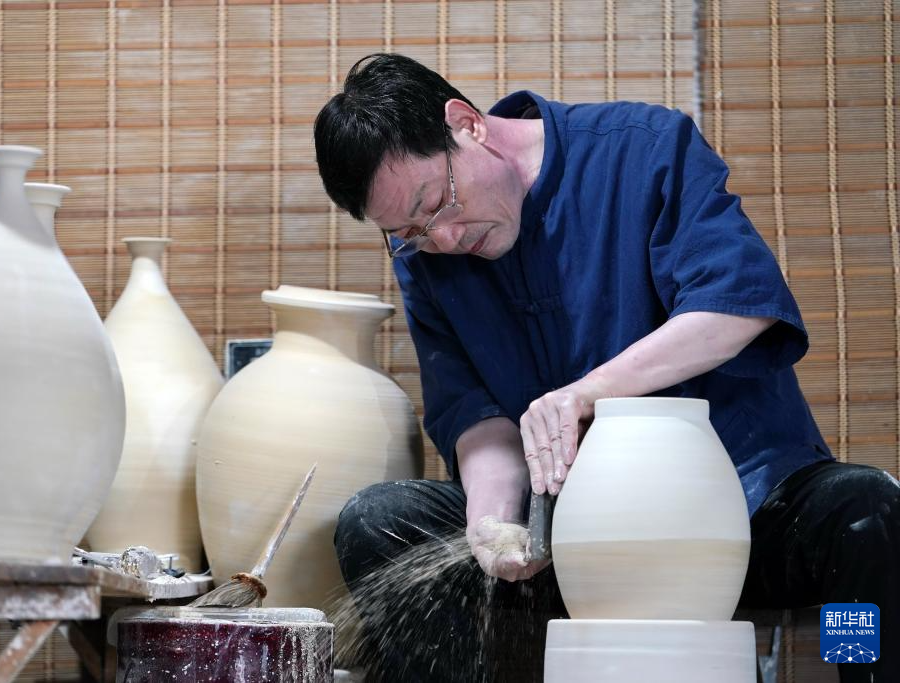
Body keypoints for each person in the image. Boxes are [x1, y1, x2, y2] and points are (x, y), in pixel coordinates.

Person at [313, 53, 899, 683]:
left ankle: (862, 671)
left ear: (467, 125)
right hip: (575, 541)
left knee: (865, 513)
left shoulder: (645, 148)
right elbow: (475, 416)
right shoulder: (426, 255)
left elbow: (737, 307)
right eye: (411, 230)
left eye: (436, 202)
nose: (445, 239)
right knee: (380, 522)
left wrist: (587, 394)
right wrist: (492, 523)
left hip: (737, 509)